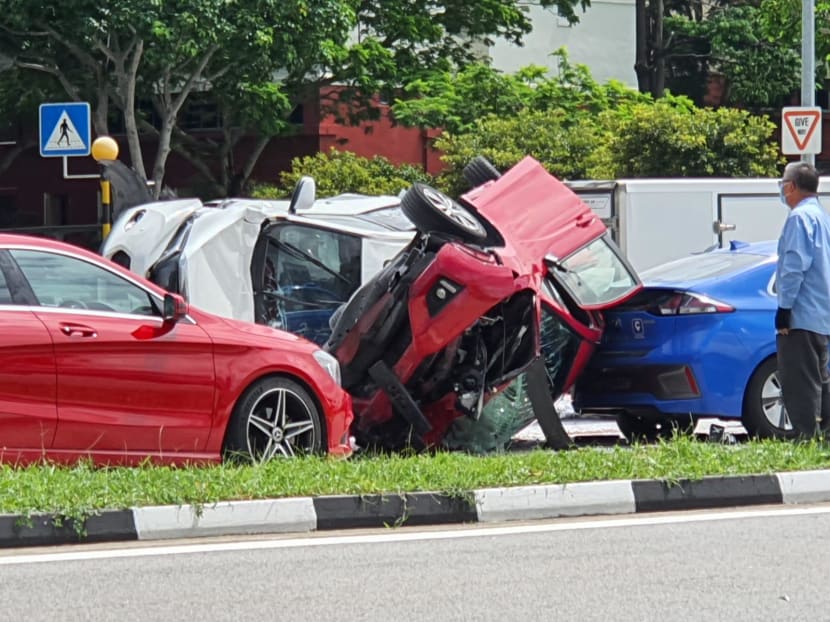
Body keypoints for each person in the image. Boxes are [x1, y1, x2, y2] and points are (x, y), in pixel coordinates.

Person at [775, 161, 830, 438]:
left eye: (783, 182)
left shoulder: (799, 218)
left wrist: (784, 309)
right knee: (820, 379)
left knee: (799, 381)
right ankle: (824, 435)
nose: (782, 188)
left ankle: (805, 437)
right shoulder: (822, 217)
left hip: (802, 313)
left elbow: (794, 265)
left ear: (792, 186)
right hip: (821, 314)